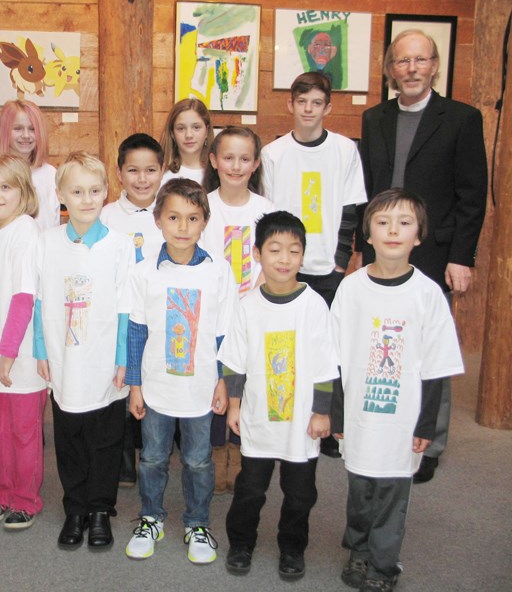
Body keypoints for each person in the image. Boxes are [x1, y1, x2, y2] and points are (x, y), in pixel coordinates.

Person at [357, 29, 487, 484]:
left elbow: (473, 195)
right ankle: (382, 431)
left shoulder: (462, 118)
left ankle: (429, 441)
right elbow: (366, 190)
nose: (410, 69)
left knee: (431, 350)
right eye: (401, 61)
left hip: (433, 253)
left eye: (420, 60)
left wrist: (462, 257)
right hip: (380, 251)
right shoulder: (374, 118)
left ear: (435, 66)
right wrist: (360, 249)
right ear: (390, 70)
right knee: (381, 343)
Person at [331, 188, 464, 591]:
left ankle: (383, 566)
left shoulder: (427, 296)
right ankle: (358, 549)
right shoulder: (351, 289)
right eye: (383, 222)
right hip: (358, 414)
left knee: (392, 491)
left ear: (419, 235)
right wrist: (335, 414)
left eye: (404, 223)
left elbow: (439, 366)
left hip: (403, 418)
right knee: (360, 485)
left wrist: (427, 425)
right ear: (367, 235)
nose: (393, 231)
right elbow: (333, 357)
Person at [217, 210, 339, 581]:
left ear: (303, 256)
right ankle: (241, 543)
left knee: (300, 494)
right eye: (274, 250)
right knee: (250, 489)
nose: (284, 259)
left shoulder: (314, 305)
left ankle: (292, 548)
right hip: (258, 419)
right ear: (257, 254)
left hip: (300, 422)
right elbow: (234, 361)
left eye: (293, 250)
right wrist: (234, 406)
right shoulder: (248, 305)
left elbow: (324, 366)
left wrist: (321, 413)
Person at [124, 178, 235, 565]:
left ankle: (197, 523)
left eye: (192, 217)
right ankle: (151, 517)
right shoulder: (144, 273)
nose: (183, 227)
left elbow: (225, 333)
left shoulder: (218, 272)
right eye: (173, 217)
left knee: (199, 460)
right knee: (152, 457)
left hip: (202, 389)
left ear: (205, 221)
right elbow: (136, 331)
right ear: (158, 220)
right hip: (156, 387)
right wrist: (135, 386)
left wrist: (224, 379)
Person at [261, 71, 366, 458]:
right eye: (301, 101)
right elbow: (269, 214)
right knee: (285, 344)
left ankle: (329, 423)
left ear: (328, 107)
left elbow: (351, 207)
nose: (308, 109)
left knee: (329, 348)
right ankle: (285, 417)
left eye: (316, 102)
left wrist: (340, 263)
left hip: (327, 268)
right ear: (290, 104)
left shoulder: (343, 150)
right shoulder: (273, 154)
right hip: (286, 266)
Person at [33, 151, 133, 550]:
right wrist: (42, 350)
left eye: (94, 190)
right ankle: (74, 507)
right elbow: (40, 301)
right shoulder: (46, 243)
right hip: (63, 357)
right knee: (70, 436)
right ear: (60, 195)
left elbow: (127, 305)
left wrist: (124, 357)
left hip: (106, 356)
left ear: (107, 192)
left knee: (105, 439)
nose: (87, 199)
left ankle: (98, 509)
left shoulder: (121, 246)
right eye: (77, 191)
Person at [0, 154, 48, 530]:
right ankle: (0, 491)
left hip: (16, 357)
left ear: (23, 190)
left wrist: (7, 353)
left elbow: (24, 298)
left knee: (24, 433)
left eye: (5, 187)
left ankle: (25, 498)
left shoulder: (25, 232)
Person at [200, 126, 276, 494]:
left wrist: (253, 298)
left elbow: (275, 258)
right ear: (213, 161)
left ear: (256, 163)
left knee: (247, 383)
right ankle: (217, 453)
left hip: (254, 310)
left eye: (244, 158)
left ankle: (242, 450)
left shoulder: (266, 210)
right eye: (227, 157)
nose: (236, 165)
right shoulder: (202, 206)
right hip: (212, 313)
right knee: (217, 382)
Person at [100, 133, 165, 487]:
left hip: (157, 316)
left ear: (163, 171)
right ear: (119, 173)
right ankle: (123, 460)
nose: (142, 179)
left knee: (153, 379)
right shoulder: (108, 216)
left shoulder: (170, 212)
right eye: (133, 170)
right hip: (120, 316)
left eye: (151, 170)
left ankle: (154, 451)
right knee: (122, 382)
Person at [0, 100, 61, 231]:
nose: (26, 135)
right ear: (5, 131)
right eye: (18, 128)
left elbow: (53, 222)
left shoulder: (50, 174)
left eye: (32, 129)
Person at [159, 98, 215, 187]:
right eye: (181, 128)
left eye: (196, 127)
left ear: (207, 131)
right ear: (172, 133)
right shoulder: (160, 175)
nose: (189, 135)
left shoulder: (218, 174)